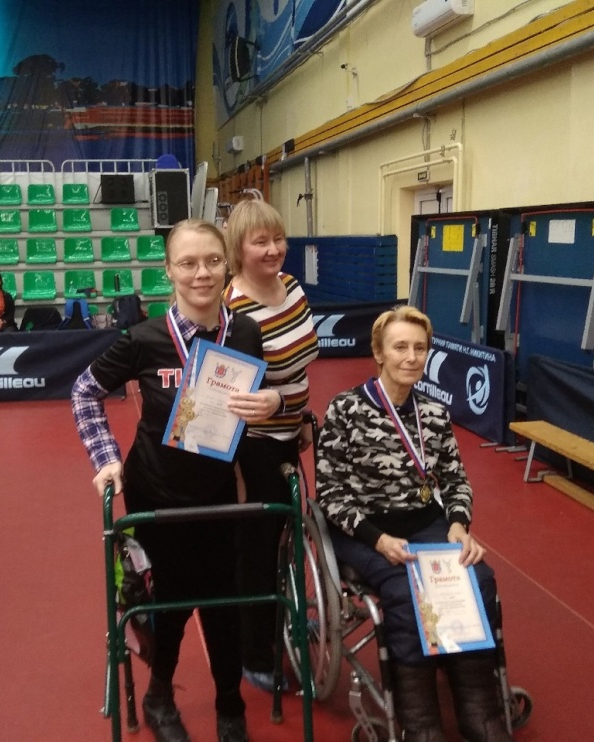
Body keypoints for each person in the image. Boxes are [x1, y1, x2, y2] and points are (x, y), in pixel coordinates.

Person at [72, 219, 282, 742]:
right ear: (168, 270)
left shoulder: (247, 332)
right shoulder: (143, 339)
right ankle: (159, 695)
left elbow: (260, 398)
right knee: (169, 599)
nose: (201, 273)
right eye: (188, 263)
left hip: (222, 491)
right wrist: (105, 458)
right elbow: (84, 392)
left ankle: (230, 702)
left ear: (227, 265)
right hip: (155, 494)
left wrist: (273, 401)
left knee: (223, 601)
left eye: (212, 260)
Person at [315, 306, 511, 742]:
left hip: (426, 524)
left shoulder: (434, 412)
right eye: (400, 347)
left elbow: (455, 480)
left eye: (419, 348)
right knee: (406, 593)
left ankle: (480, 712)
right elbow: (330, 494)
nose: (411, 357)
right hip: (363, 530)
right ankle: (420, 723)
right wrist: (377, 539)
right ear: (378, 353)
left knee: (477, 580)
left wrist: (458, 525)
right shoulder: (345, 409)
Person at [222, 199, 318, 691]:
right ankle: (254, 653)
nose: (273, 249)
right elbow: (233, 397)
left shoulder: (293, 288)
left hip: (289, 433)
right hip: (252, 447)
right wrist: (284, 404)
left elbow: (299, 365)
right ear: (238, 249)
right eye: (260, 241)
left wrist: (298, 415)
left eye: (278, 239)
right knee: (257, 550)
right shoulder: (233, 312)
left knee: (285, 538)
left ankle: (283, 618)